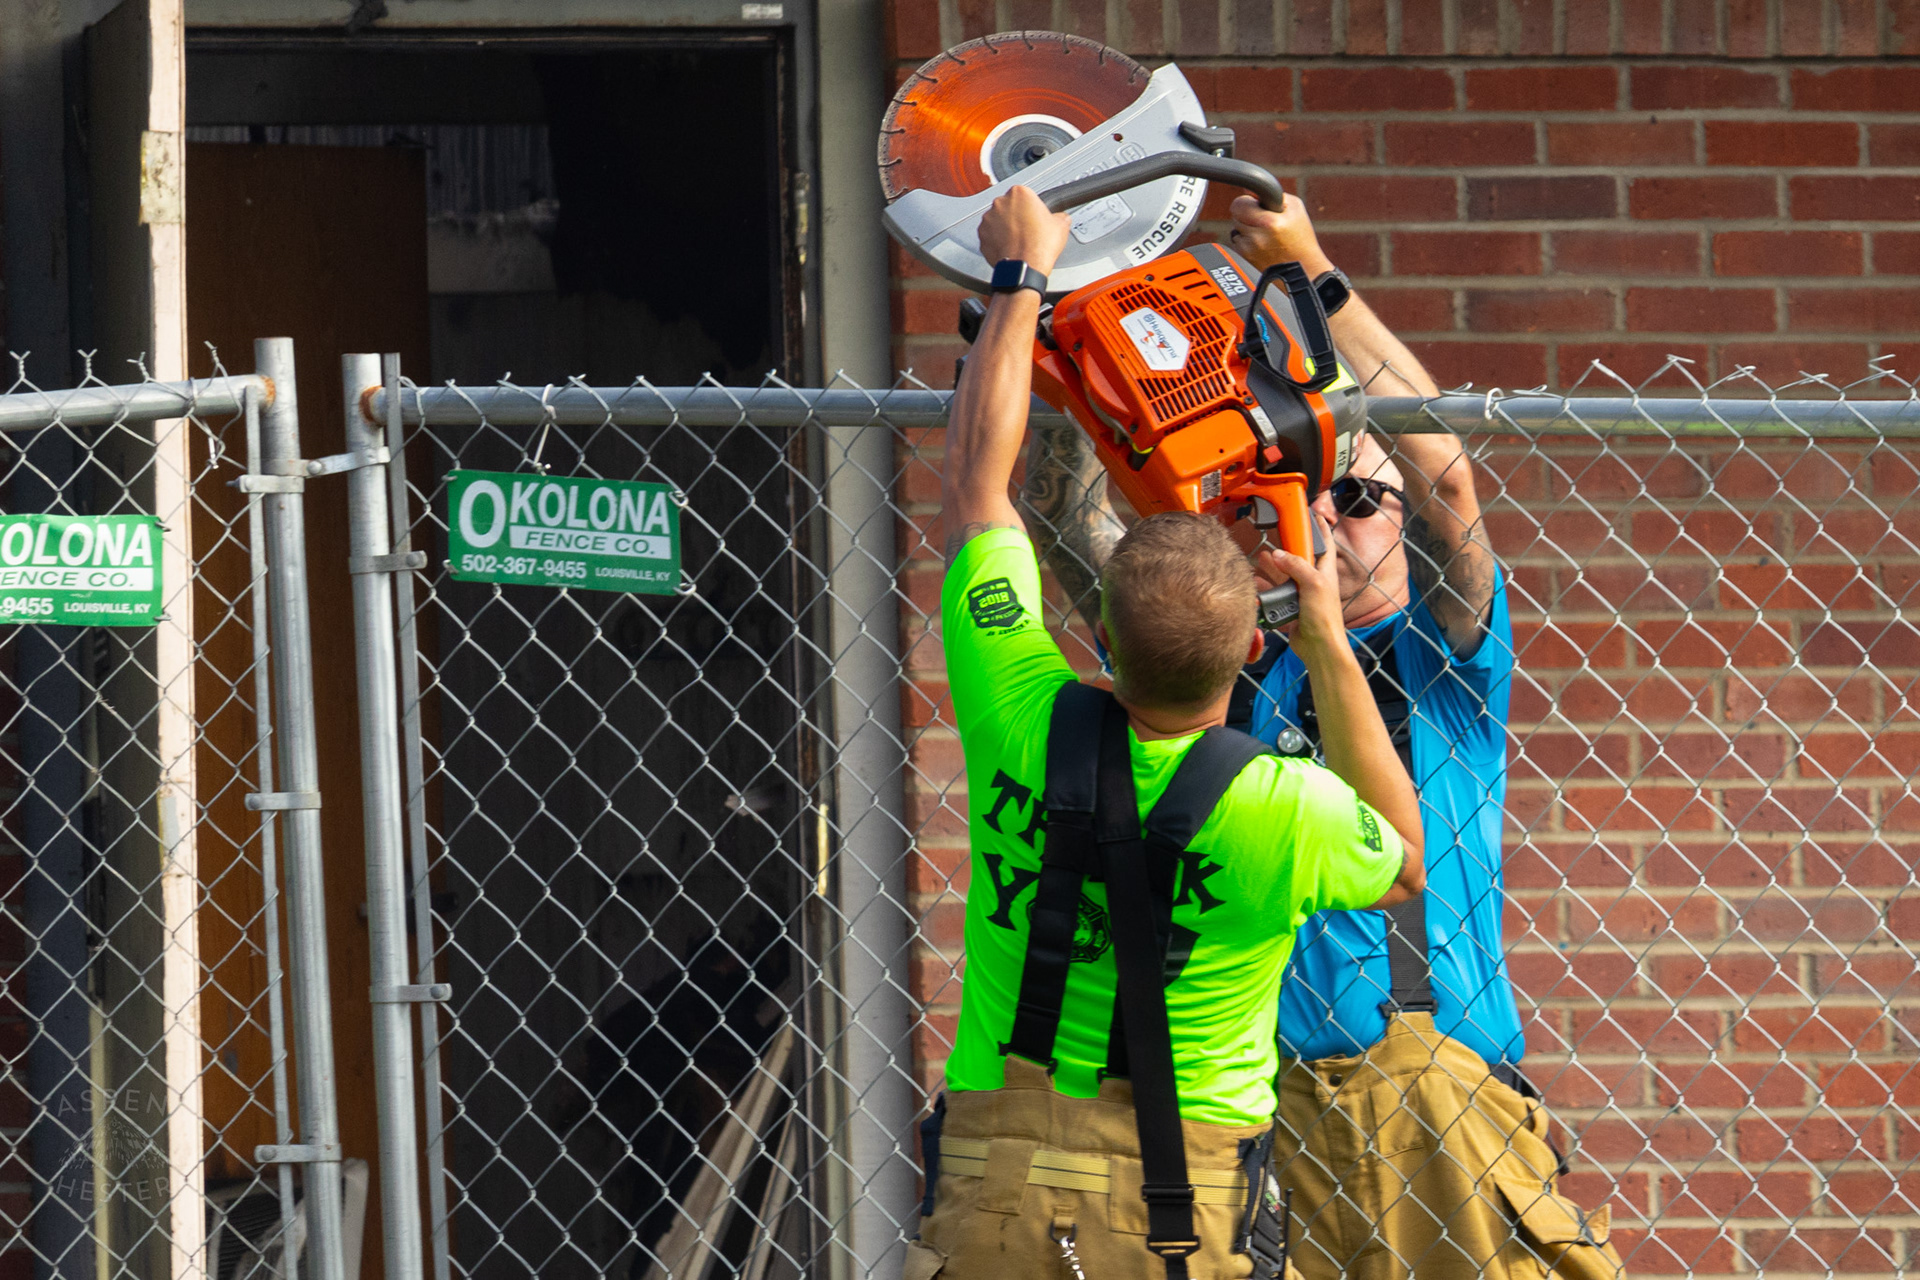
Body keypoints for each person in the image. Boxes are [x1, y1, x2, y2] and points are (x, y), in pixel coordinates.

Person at [1024, 194, 1624, 1280]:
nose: (1332, 516)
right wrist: (1077, 318)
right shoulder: (1214, 660)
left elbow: (1444, 477)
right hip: (1258, 1113)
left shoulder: (1441, 659)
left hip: (1432, 1097)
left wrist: (1311, 276)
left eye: (1359, 497)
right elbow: (1064, 518)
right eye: (1305, 493)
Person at [907, 184, 1425, 1280]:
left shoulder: (1018, 708)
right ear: (1250, 650)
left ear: (1097, 627)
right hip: (1185, 1197)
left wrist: (1019, 279)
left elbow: (978, 489)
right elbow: (1403, 853)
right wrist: (1326, 636)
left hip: (999, 1172)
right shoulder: (1280, 807)